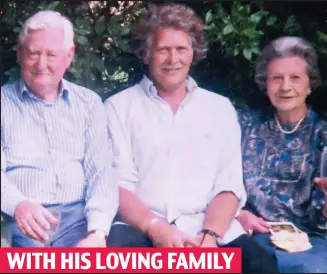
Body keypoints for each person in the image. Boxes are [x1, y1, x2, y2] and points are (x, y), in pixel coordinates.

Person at [104, 3, 278, 273]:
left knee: (261, 266)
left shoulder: (219, 108)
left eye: (181, 49)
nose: (173, 59)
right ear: (146, 54)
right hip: (140, 229)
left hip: (209, 230)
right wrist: (156, 229)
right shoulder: (118, 107)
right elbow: (118, 186)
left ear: (193, 53)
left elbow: (228, 185)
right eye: (163, 49)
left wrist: (210, 237)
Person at [1, 10, 118, 247]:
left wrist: (97, 232)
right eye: (33, 53)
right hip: (17, 220)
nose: (41, 64)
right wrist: (18, 205)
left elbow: (101, 172)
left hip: (79, 221)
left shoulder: (89, 103)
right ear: (20, 54)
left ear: (69, 55)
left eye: (51, 54)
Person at [237, 36, 327, 273]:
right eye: (276, 78)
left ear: (310, 85)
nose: (285, 87)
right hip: (249, 235)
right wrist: (238, 213)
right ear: (265, 84)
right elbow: (216, 179)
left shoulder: (323, 135)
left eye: (295, 78)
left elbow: (321, 219)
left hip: (311, 244)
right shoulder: (244, 125)